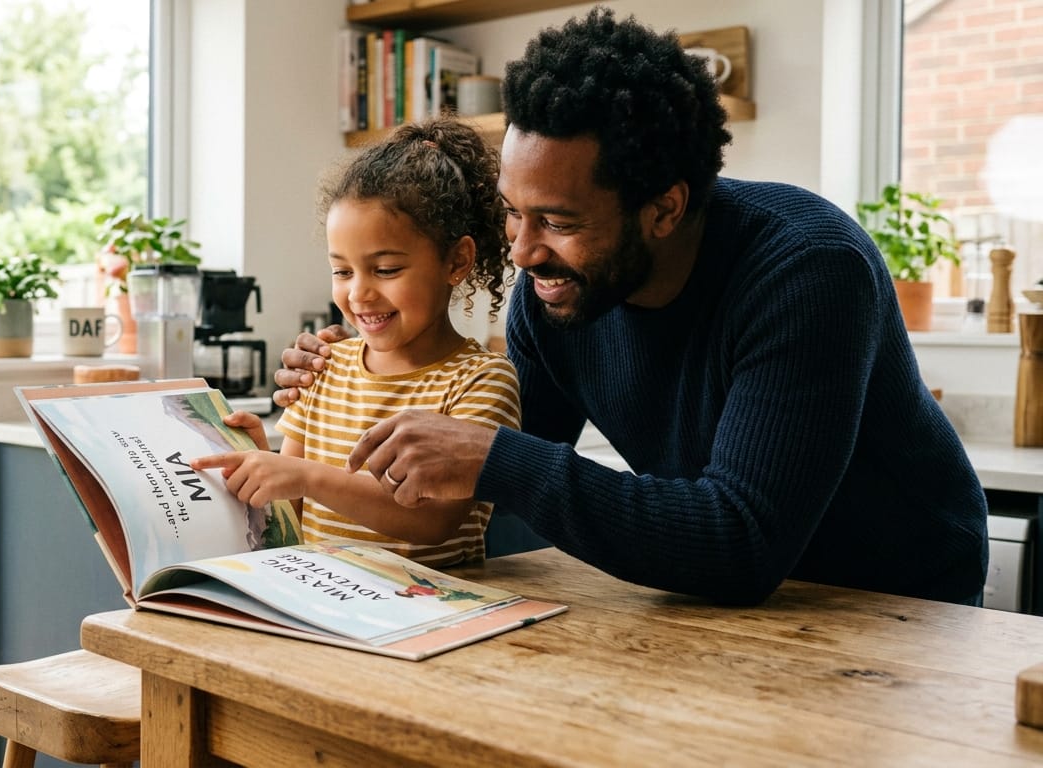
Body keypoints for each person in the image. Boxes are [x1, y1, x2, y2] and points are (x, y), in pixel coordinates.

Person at [273, 8, 988, 605]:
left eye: (558, 221)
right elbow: (479, 476)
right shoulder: (555, 296)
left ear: (664, 209)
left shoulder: (808, 271)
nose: (522, 253)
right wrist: (365, 364)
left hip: (898, 597)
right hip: (726, 600)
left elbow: (738, 541)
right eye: (513, 215)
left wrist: (498, 458)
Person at [192, 116, 521, 568]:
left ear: (457, 261)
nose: (359, 293)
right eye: (342, 271)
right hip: (326, 608)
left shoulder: (482, 380)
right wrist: (260, 459)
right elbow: (291, 517)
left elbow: (434, 521)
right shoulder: (322, 368)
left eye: (385, 270)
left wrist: (305, 475)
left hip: (431, 620)